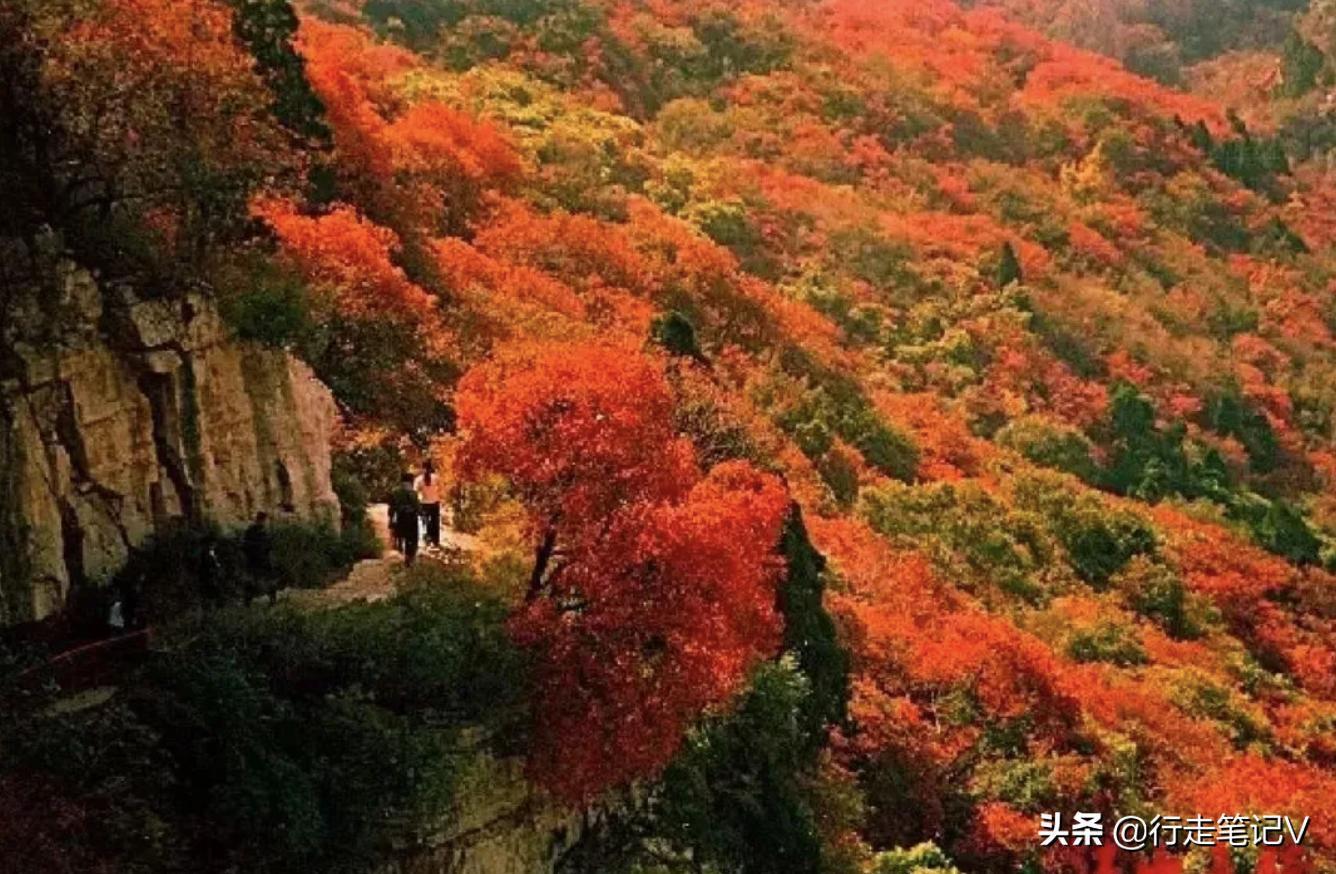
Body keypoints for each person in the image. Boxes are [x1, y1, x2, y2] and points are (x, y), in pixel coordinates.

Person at [243, 511, 276, 606]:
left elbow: (244, 545)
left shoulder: (251, 531)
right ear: (263, 520)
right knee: (264, 581)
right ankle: (271, 600)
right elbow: (268, 546)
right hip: (259, 560)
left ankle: (248, 602)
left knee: (252, 581)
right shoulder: (260, 532)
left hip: (255, 560)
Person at [388, 472, 421, 565]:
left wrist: (390, 520)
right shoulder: (413, 493)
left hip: (400, 517)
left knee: (401, 535)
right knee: (412, 539)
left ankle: (401, 552)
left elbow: (391, 508)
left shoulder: (395, 492)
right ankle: (409, 557)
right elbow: (417, 507)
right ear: (411, 481)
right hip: (411, 518)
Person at [415, 459, 442, 549]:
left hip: (424, 503)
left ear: (422, 467)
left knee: (425, 522)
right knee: (435, 522)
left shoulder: (419, 479)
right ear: (431, 467)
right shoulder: (436, 477)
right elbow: (440, 488)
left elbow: (415, 492)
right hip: (435, 502)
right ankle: (435, 541)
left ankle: (426, 540)